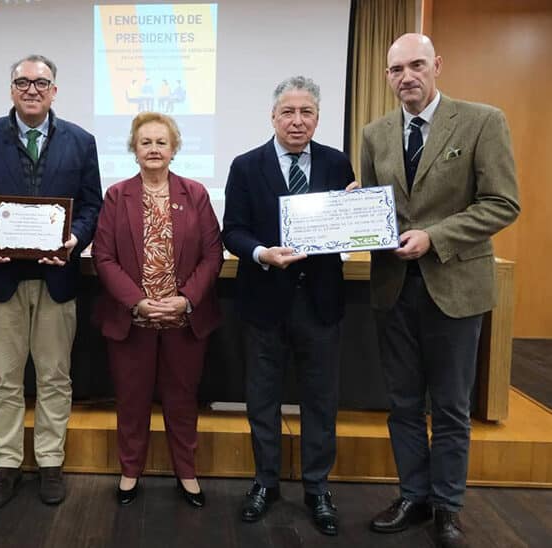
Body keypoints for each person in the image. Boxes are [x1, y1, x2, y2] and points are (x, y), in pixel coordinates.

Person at [361, 34, 519, 548]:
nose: (406, 76)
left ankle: (447, 507)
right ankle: (413, 496)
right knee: (403, 403)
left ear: (437, 66)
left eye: (416, 65)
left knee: (450, 406)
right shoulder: (375, 133)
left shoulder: (482, 121)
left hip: (454, 284)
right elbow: (376, 205)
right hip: (393, 288)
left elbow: (502, 203)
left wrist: (437, 236)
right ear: (387, 76)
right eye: (395, 69)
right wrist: (355, 210)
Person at [0, 54, 102, 508]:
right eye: (23, 82)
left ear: (55, 90)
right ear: (11, 89)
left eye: (41, 83)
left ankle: (50, 461)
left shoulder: (81, 141)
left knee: (55, 377)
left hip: (57, 281)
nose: (32, 89)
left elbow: (93, 205)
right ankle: (7, 463)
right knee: (3, 379)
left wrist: (74, 239)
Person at [222, 76, 357, 536]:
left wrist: (357, 217)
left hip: (321, 303)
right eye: (288, 112)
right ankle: (266, 482)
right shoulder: (245, 165)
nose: (297, 121)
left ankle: (318, 488)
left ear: (317, 118)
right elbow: (232, 230)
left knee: (321, 401)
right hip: (263, 302)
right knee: (262, 400)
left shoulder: (339, 164)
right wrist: (262, 253)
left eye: (307, 113)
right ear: (273, 116)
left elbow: (348, 225)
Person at [93, 112, 223, 507]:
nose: (153, 148)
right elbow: (103, 257)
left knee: (182, 401)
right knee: (131, 401)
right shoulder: (117, 196)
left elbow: (212, 254)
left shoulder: (195, 193)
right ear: (134, 148)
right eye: (145, 142)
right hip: (133, 321)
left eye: (160, 142)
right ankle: (130, 471)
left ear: (174, 148)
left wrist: (185, 300)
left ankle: (187, 472)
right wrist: (138, 303)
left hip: (184, 321)